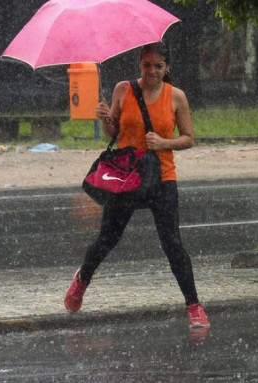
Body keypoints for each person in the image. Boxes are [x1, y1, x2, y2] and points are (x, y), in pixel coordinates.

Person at [64, 42, 209, 329]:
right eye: (147, 65)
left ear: (167, 68)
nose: (152, 71)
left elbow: (189, 138)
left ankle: (193, 305)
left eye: (158, 66)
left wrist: (165, 143)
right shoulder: (123, 89)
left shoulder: (176, 97)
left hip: (161, 178)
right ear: (140, 65)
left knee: (172, 244)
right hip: (126, 178)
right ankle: (82, 279)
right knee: (108, 239)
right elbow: (114, 133)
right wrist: (106, 120)